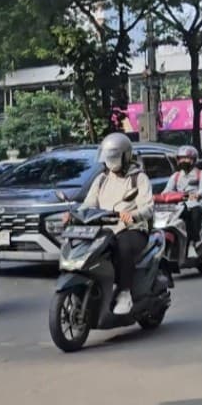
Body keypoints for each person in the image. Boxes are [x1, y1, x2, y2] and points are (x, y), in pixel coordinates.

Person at [66, 133, 154, 314]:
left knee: (122, 246)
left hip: (133, 229)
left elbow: (148, 207)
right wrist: (74, 214)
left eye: (114, 157)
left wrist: (133, 215)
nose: (110, 162)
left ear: (125, 156)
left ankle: (124, 292)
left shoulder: (138, 178)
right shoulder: (101, 179)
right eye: (108, 158)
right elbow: (89, 204)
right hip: (105, 228)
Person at [162, 145, 202, 243]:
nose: (183, 161)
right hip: (179, 206)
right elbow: (166, 191)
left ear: (194, 160)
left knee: (193, 215)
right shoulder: (176, 176)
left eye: (186, 158)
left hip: (196, 206)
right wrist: (159, 197)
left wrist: (197, 195)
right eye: (181, 158)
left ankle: (193, 242)